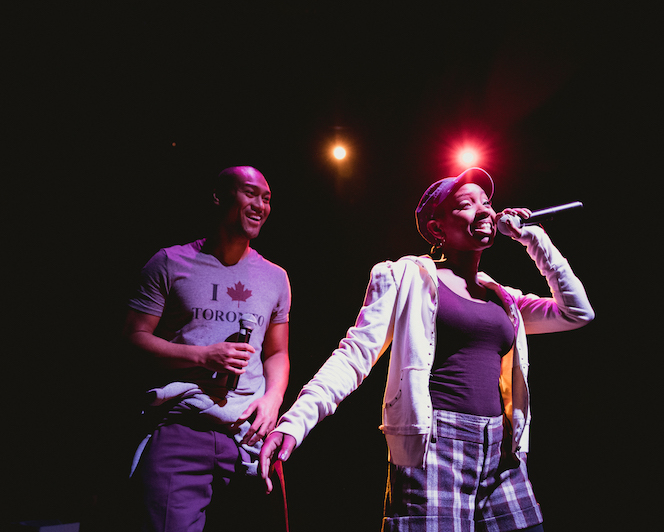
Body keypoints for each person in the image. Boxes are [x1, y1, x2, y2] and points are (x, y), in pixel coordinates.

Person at [260, 167, 595, 531]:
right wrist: (294, 423)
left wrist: (535, 240)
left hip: (501, 450)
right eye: (466, 205)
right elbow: (354, 354)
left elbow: (576, 312)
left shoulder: (504, 298)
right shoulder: (406, 278)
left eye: (487, 202)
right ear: (437, 229)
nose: (484, 210)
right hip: (436, 447)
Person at [123, 165, 291, 531]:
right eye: (250, 193)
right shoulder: (170, 262)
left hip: (247, 434)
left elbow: (277, 352)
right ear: (218, 197)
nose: (260, 205)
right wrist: (202, 355)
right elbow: (133, 337)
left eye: (266, 198)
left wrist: (274, 398)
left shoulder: (275, 277)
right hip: (184, 425)